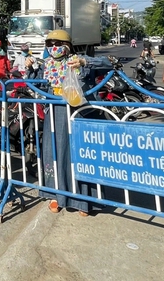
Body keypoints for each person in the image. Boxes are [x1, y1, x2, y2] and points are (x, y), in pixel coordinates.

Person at [40, 29, 112, 216]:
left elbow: (109, 64)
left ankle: (84, 201)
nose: (54, 48)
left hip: (79, 114)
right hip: (54, 114)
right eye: (50, 44)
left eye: (58, 44)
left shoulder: (80, 61)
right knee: (54, 153)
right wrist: (30, 68)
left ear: (68, 46)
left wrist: (85, 61)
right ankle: (56, 195)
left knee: (79, 155)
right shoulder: (46, 64)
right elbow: (38, 85)